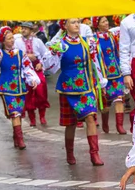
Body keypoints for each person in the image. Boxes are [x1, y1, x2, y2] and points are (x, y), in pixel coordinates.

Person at [43, 18, 108, 166]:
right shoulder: (60, 44)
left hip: (86, 87)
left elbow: (95, 62)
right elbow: (49, 67)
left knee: (91, 117)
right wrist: (53, 52)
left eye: (78, 21)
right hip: (68, 88)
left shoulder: (87, 42)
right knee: (70, 124)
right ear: (64, 26)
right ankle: (70, 153)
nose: (77, 25)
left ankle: (94, 154)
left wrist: (101, 81)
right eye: (73, 22)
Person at [92, 15, 125, 134]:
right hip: (103, 75)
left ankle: (119, 126)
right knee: (106, 105)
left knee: (119, 98)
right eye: (104, 21)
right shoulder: (93, 39)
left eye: (107, 21)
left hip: (116, 72)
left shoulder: (112, 35)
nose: (107, 23)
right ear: (97, 24)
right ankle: (105, 123)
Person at [13, 22, 50, 126]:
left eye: (26, 28)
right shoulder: (17, 42)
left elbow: (46, 54)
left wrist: (41, 64)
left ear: (31, 30)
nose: (23, 30)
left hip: (37, 67)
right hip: (25, 69)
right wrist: (26, 56)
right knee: (28, 93)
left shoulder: (38, 41)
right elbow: (15, 54)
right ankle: (32, 118)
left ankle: (42, 116)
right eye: (22, 28)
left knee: (41, 90)